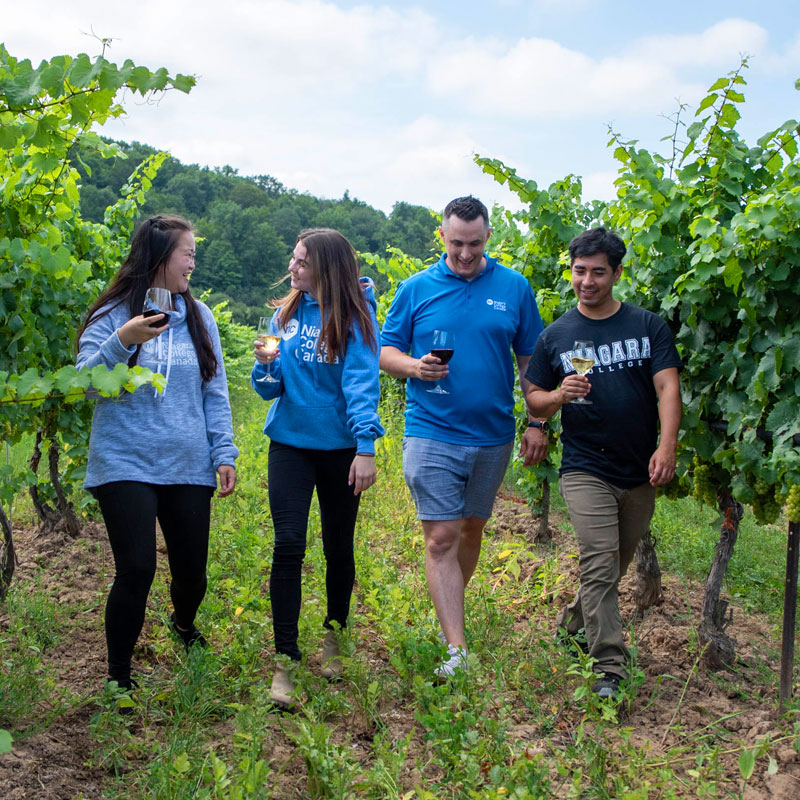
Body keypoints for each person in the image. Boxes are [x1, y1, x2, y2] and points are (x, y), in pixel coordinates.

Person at [380, 195, 548, 679]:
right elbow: (385, 352)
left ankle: (447, 614)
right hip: (432, 429)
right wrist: (415, 366)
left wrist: (537, 423)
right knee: (441, 536)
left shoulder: (514, 287)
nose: (466, 254)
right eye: (457, 243)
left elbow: (529, 363)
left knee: (471, 530)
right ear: (442, 236)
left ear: (488, 237)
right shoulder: (416, 289)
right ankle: (457, 648)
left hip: (492, 435)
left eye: (475, 243)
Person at [76, 215, 238, 693]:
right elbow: (84, 384)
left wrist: (223, 451)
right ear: (160, 258)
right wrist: (123, 340)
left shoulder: (200, 317)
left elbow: (215, 391)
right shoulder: (112, 315)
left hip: (188, 462)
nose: (193, 261)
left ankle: (183, 624)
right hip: (124, 460)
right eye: (187, 253)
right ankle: (119, 678)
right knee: (137, 568)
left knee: (192, 576)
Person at [524, 226, 682, 700]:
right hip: (584, 465)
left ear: (616, 273)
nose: (586, 281)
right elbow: (534, 403)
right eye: (578, 272)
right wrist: (557, 395)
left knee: (614, 562)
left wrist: (667, 444)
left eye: (597, 272)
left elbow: (668, 388)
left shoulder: (646, 326)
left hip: (638, 469)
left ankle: (573, 624)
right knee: (598, 561)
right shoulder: (556, 336)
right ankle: (609, 666)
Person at [252, 227, 383, 709]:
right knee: (288, 543)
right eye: (293, 259)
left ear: (324, 268)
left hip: (339, 449)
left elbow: (362, 382)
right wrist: (266, 367)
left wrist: (365, 446)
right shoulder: (284, 313)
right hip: (289, 442)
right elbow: (270, 389)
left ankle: (334, 636)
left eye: (301, 262)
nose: (293, 268)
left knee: (337, 545)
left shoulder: (355, 315)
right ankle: (285, 660)